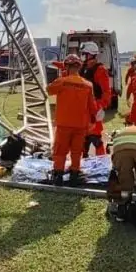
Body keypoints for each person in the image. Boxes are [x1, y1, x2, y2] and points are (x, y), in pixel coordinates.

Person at [46, 54, 103, 186]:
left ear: (66, 66)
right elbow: (92, 107)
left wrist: (60, 76)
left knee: (60, 151)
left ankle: (58, 175)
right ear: (79, 67)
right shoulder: (88, 85)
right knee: (77, 151)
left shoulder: (62, 81)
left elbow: (49, 90)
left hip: (63, 124)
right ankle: (74, 175)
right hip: (80, 125)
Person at [78, 42, 112, 157]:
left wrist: (99, 106)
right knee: (82, 140)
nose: (82, 56)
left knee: (96, 138)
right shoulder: (82, 68)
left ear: (91, 55)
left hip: (94, 108)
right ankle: (82, 164)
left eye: (84, 54)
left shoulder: (100, 70)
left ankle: (101, 163)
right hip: (82, 109)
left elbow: (106, 92)